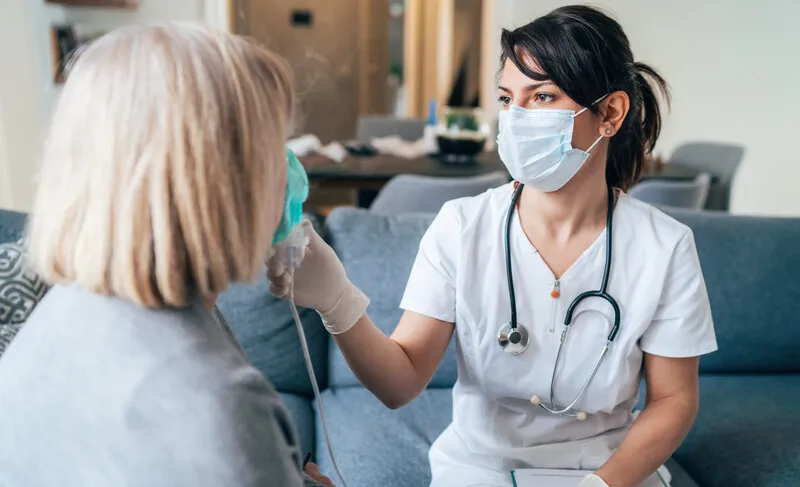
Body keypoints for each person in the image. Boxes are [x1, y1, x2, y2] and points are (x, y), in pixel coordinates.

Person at [268, 5, 717, 487]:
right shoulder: (462, 227)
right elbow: (401, 383)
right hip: (480, 469)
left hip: (607, 471)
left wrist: (600, 485)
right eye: (508, 99)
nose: (518, 119)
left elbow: (674, 400)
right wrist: (337, 301)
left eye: (542, 96)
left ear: (609, 113)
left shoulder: (664, 247)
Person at [0, 23, 334, 487]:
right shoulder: (218, 407)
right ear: (221, 181)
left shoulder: (64, 311)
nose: (289, 174)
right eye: (271, 151)